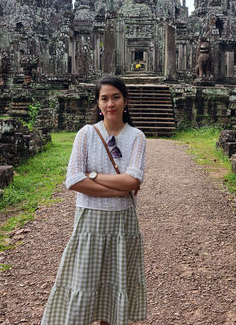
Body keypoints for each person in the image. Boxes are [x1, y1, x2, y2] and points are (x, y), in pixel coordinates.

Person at [41, 76, 147, 325]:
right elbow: (74, 181)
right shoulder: (86, 134)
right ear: (98, 104)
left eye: (116, 97)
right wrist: (114, 189)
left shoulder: (137, 137)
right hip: (90, 220)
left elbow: (133, 181)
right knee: (84, 282)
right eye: (104, 98)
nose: (111, 103)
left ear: (125, 101)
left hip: (123, 223)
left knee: (116, 282)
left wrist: (95, 176)